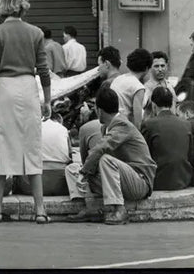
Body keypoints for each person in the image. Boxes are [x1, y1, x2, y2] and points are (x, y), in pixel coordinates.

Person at [0, 0, 51, 224]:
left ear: (3, 6)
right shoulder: (36, 33)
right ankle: (40, 210)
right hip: (28, 88)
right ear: (22, 6)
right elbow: (43, 70)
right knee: (32, 147)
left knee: (1, 148)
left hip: (3, 90)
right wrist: (48, 100)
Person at [66, 88, 156, 225]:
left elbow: (101, 148)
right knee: (72, 168)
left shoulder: (122, 124)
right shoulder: (105, 127)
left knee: (104, 159)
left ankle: (120, 210)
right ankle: (90, 208)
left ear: (99, 110)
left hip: (139, 182)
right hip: (121, 181)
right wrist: (84, 171)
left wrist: (84, 172)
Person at [141, 87, 192, 191]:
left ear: (154, 105)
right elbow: (190, 155)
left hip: (158, 181)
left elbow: (142, 157)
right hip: (183, 180)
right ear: (171, 104)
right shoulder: (186, 124)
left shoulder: (149, 124)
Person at [14, 113, 72, 196]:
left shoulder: (28, 128)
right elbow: (70, 158)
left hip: (29, 186)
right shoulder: (63, 129)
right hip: (60, 185)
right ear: (58, 121)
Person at [110, 48, 152, 129]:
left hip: (111, 123)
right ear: (147, 68)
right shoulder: (138, 87)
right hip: (125, 127)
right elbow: (137, 119)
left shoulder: (118, 79)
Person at [142, 51, 177, 120]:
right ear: (149, 68)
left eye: (162, 66)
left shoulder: (170, 86)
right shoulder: (145, 88)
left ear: (167, 66)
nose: (160, 69)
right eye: (156, 66)